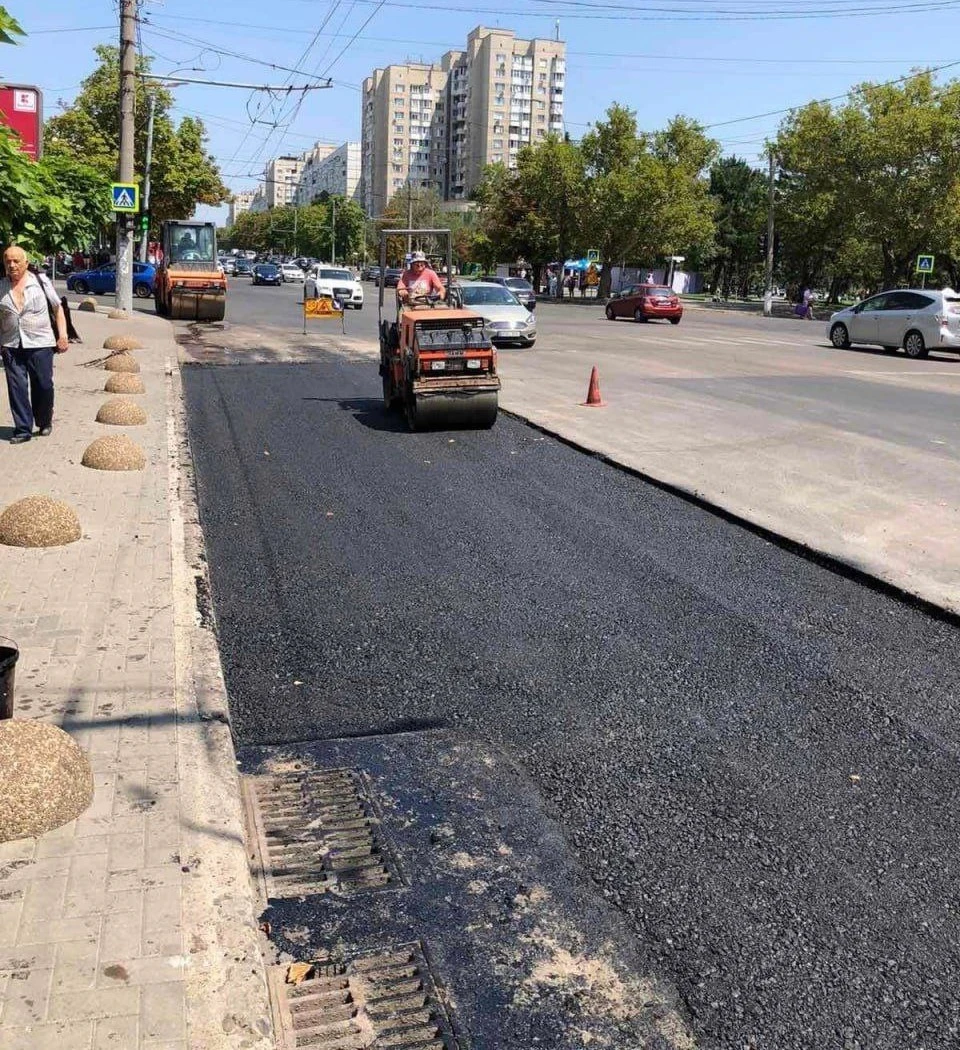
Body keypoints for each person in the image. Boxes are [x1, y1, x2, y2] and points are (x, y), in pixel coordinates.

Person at [0, 245, 68, 443]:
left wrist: (62, 335)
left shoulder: (41, 281)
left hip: (40, 343)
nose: (12, 265)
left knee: (44, 385)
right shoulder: (2, 286)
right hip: (11, 344)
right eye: (8, 261)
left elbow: (57, 308)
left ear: (26, 263)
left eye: (16, 261)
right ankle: (23, 429)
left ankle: (44, 420)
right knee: (17, 388)